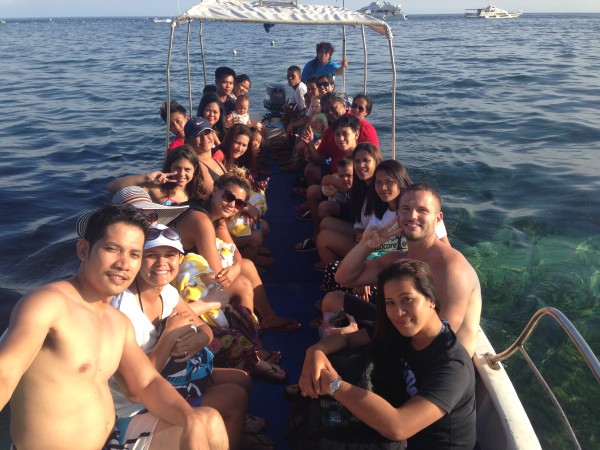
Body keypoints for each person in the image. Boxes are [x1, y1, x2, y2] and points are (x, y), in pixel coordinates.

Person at [0, 204, 228, 450]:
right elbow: (5, 374)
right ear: (83, 250)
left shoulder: (116, 321)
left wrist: (188, 417)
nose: (124, 263)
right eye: (112, 249)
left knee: (207, 421)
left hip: (110, 440)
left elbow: (148, 383)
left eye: (134, 254)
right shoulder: (49, 304)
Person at [299, 259, 476, 449]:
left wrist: (334, 385)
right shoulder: (401, 329)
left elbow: (399, 427)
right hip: (398, 424)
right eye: (390, 303)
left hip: (413, 438)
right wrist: (315, 352)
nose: (398, 312)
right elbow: (348, 340)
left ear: (431, 299)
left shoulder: (452, 365)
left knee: (323, 442)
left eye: (407, 299)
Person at [110, 224, 257, 450]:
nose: (162, 263)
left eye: (170, 255)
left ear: (180, 259)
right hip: (135, 408)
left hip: (169, 379)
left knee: (242, 378)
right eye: (151, 255)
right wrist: (168, 337)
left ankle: (231, 434)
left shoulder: (166, 292)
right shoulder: (122, 310)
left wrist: (202, 338)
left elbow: (203, 328)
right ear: (137, 259)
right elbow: (138, 390)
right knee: (234, 396)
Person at [333, 182, 482, 356]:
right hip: (406, 337)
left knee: (336, 358)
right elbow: (344, 278)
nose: (412, 215)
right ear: (397, 216)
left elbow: (438, 339)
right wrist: (367, 245)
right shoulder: (400, 259)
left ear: (438, 218)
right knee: (334, 302)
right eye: (405, 209)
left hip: (436, 365)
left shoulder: (452, 268)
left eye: (422, 210)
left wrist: (358, 338)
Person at [171, 172, 301, 333]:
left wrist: (237, 266)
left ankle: (268, 318)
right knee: (243, 285)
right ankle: (249, 348)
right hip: (178, 285)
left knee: (246, 265)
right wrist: (234, 273)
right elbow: (218, 274)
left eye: (239, 203)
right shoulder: (201, 221)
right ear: (216, 189)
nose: (232, 204)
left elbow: (235, 253)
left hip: (192, 274)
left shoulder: (217, 218)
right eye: (228, 196)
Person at [301, 91, 379, 187]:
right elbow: (319, 159)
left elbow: (373, 162)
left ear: (344, 105)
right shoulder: (330, 131)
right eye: (326, 110)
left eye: (333, 108)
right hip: (336, 172)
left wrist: (337, 180)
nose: (330, 112)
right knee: (310, 170)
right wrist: (310, 145)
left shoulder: (365, 129)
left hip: (355, 176)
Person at [107, 145, 207, 206]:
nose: (181, 174)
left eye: (187, 169)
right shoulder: (157, 188)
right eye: (177, 168)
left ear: (195, 169)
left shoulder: (197, 191)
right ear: (169, 167)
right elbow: (112, 187)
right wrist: (146, 178)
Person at [184, 116, 227, 194]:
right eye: (198, 135)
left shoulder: (217, 162)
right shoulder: (196, 166)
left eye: (207, 133)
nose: (204, 138)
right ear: (187, 141)